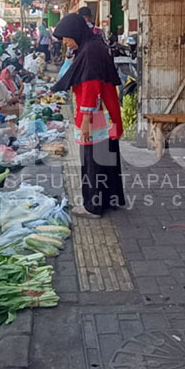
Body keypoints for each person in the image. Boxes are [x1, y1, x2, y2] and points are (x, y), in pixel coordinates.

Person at [52, 13, 125, 218]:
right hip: (106, 112)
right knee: (106, 157)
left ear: (75, 33)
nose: (65, 42)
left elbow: (91, 87)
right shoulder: (93, 46)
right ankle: (110, 199)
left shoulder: (90, 51)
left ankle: (93, 206)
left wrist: (85, 121)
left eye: (66, 37)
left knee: (92, 161)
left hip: (95, 115)